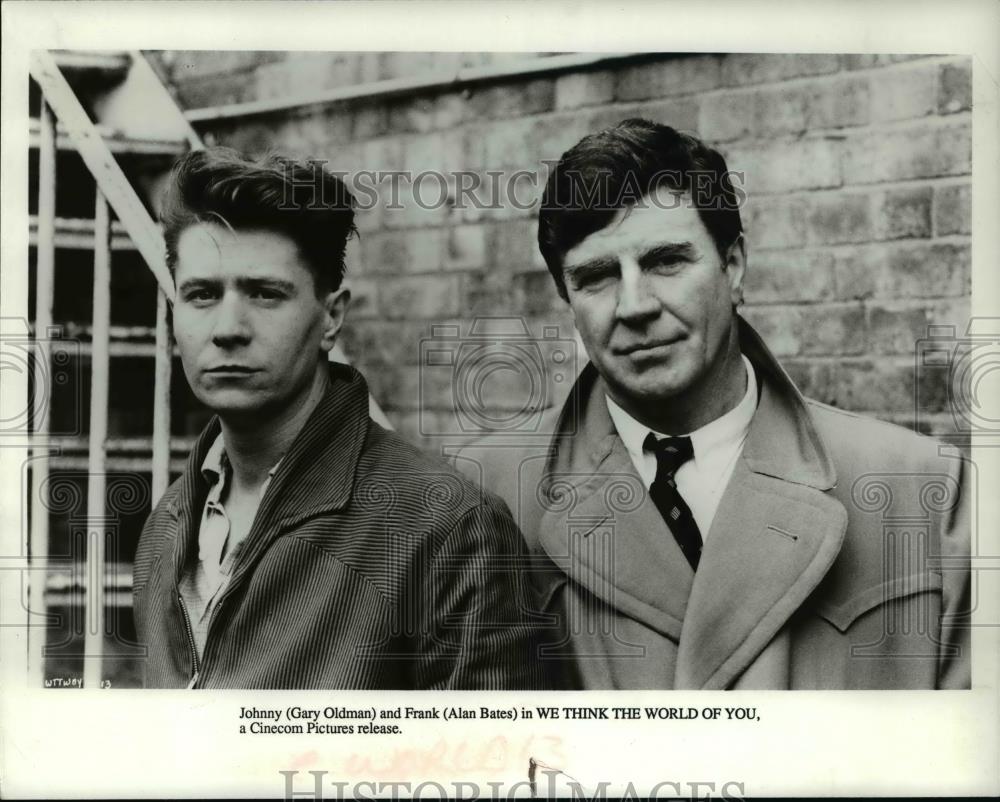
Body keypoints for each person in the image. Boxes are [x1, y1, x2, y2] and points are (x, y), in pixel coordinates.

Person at [455, 119, 971, 689]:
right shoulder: (488, 494)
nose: (634, 306)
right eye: (597, 276)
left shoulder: (921, 491)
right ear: (566, 301)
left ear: (734, 266)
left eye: (665, 261)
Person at [133, 147, 547, 689]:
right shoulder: (165, 528)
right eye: (202, 295)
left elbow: (486, 769)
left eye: (264, 294)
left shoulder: (448, 530)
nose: (228, 327)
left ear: (331, 318)